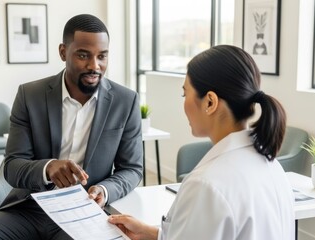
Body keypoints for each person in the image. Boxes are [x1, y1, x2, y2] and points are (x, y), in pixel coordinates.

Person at [0, 14, 143, 240]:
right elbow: (12, 166)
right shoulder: (29, 95)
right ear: (63, 52)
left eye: (102, 56)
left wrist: (104, 190)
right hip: (30, 207)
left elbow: (132, 169)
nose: (94, 66)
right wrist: (48, 168)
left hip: (85, 212)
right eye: (83, 55)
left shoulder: (125, 101)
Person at [108, 45, 295, 240]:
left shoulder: (207, 184)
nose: (184, 103)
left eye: (185, 93)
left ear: (210, 102)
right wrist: (153, 234)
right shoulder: (272, 167)